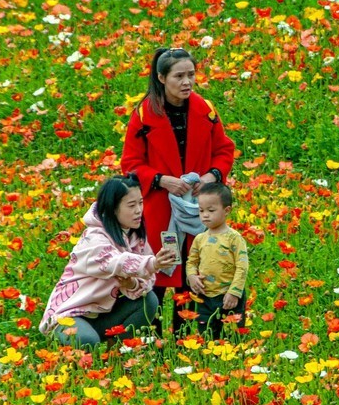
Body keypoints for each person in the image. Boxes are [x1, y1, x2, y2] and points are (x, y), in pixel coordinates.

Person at [121, 47, 236, 334]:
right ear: (161, 78)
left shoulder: (205, 110)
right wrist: (162, 179)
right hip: (161, 209)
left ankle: (189, 338)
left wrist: (212, 175)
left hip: (199, 206)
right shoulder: (144, 115)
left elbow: (224, 150)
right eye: (179, 76)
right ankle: (154, 337)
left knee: (195, 270)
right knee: (160, 271)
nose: (187, 82)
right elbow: (131, 163)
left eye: (191, 75)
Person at [39, 175, 177, 347]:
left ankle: (118, 353)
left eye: (140, 203)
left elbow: (147, 282)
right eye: (131, 205)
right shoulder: (93, 238)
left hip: (103, 315)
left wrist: (131, 284)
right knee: (87, 341)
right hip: (70, 317)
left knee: (148, 300)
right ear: (113, 208)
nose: (138, 210)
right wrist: (153, 264)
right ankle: (69, 349)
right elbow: (114, 262)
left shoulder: (135, 238)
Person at [185, 182, 249, 339]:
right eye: (201, 210)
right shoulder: (200, 239)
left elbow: (242, 267)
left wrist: (234, 292)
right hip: (205, 296)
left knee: (233, 336)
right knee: (207, 334)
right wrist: (192, 277)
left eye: (211, 210)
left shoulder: (234, 238)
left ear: (227, 210)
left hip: (228, 295)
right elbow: (191, 262)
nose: (205, 215)